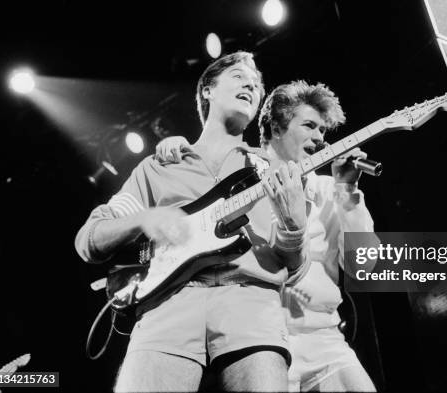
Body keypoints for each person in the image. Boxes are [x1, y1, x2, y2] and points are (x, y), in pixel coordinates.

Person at [75, 52, 311, 392]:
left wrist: (294, 229)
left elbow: (296, 270)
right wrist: (145, 217)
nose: (251, 84)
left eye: (257, 84)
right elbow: (90, 240)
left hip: (251, 305)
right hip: (167, 306)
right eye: (239, 76)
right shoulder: (158, 166)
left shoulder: (272, 170)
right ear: (208, 91)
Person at [156, 80, 377, 391]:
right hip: (255, 343)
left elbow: (363, 269)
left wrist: (348, 192)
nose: (319, 139)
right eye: (310, 126)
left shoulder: (332, 191)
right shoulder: (235, 179)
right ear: (275, 127)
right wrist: (177, 149)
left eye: (323, 131)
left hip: (323, 340)